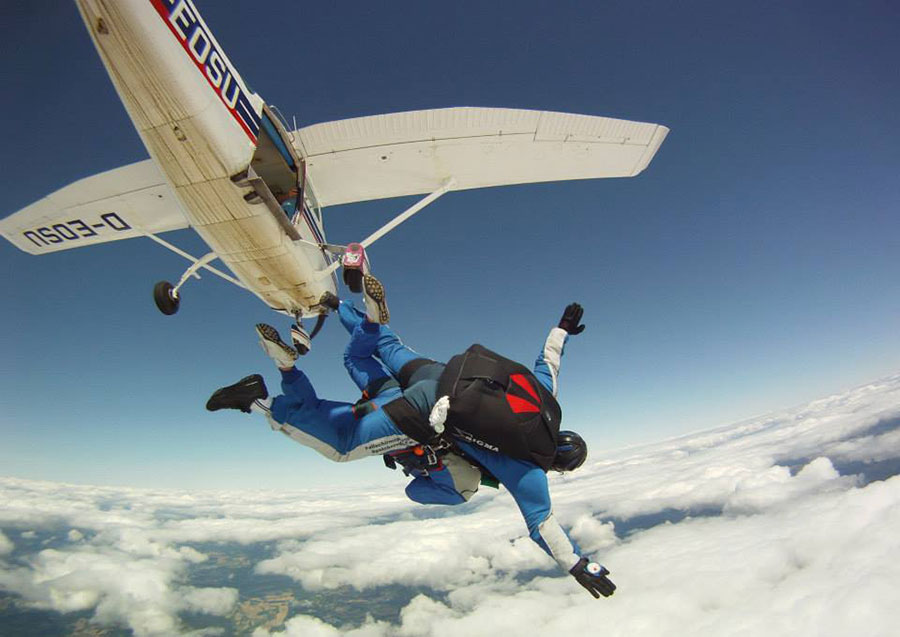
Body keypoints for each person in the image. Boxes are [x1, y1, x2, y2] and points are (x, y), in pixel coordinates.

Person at [207, 276, 616, 599]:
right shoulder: (529, 469)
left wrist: (561, 329)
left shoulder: (546, 400)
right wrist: (577, 565)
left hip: (440, 375)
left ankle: (354, 314)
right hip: (420, 415)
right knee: (343, 445)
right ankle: (260, 401)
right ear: (558, 468)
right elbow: (542, 525)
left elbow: (548, 361)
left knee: (369, 351)